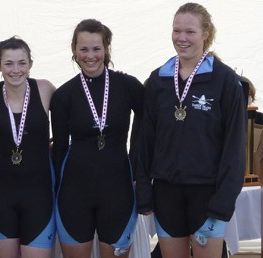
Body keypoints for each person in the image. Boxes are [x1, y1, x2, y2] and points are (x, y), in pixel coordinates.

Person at [136, 3, 246, 258]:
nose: (181, 38)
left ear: (205, 34)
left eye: (190, 32)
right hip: (166, 193)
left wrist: (224, 200)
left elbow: (235, 147)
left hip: (207, 195)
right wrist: (144, 190)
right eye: (176, 31)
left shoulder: (225, 80)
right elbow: (145, 139)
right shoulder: (158, 80)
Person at [50, 19, 144, 258]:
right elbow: (59, 149)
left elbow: (148, 127)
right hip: (74, 192)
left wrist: (137, 167)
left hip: (118, 189)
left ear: (106, 49)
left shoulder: (128, 86)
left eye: (96, 49)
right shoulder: (63, 95)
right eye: (83, 49)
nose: (90, 56)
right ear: (74, 50)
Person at [0, 36, 56, 258]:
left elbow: (73, 117)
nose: (16, 70)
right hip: (2, 195)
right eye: (8, 64)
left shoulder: (45, 89)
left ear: (30, 64)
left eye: (22, 63)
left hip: (39, 196)